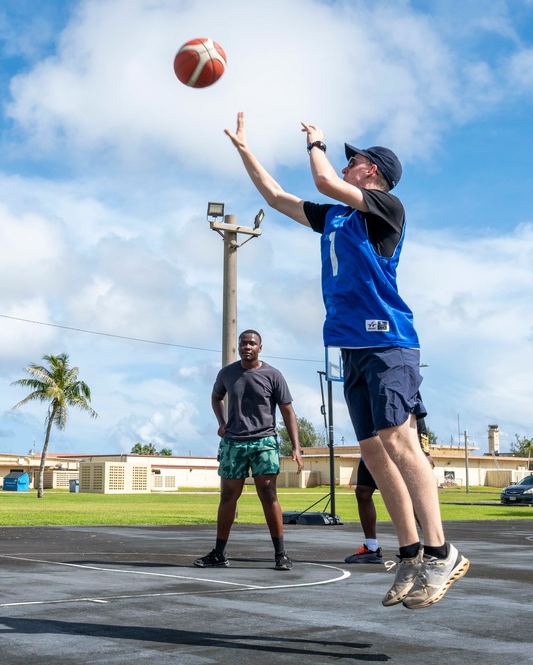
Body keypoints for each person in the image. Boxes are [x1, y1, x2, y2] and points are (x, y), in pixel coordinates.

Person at [225, 112, 468, 609]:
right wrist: (245, 151)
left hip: (390, 343)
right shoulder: (334, 218)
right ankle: (409, 555)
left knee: (401, 442)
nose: (345, 162)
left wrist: (315, 141)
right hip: (354, 349)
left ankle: (442, 551)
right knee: (375, 456)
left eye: (353, 159)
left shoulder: (387, 209)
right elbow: (275, 197)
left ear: (372, 173)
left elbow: (322, 179)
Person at [194, 330, 303, 571]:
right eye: (243, 343)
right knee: (228, 496)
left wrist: (296, 447)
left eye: (252, 343)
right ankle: (219, 554)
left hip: (264, 441)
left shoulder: (273, 375)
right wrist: (221, 423)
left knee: (268, 493)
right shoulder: (227, 373)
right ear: (239, 347)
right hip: (234, 442)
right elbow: (216, 397)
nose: (247, 347)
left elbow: (288, 412)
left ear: (260, 348)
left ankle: (281, 554)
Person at [344, 417, 435, 565]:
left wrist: (425, 451)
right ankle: (371, 549)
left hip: (396, 448)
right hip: (372, 447)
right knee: (362, 492)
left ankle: (433, 547)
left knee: (408, 498)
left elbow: (417, 414)